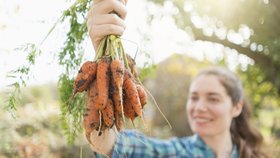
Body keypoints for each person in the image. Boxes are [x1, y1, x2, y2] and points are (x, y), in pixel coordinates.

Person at [86, 0, 268, 157]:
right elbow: (110, 145)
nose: (199, 107)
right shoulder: (175, 153)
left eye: (213, 98)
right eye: (194, 97)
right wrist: (104, 58)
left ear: (237, 107)